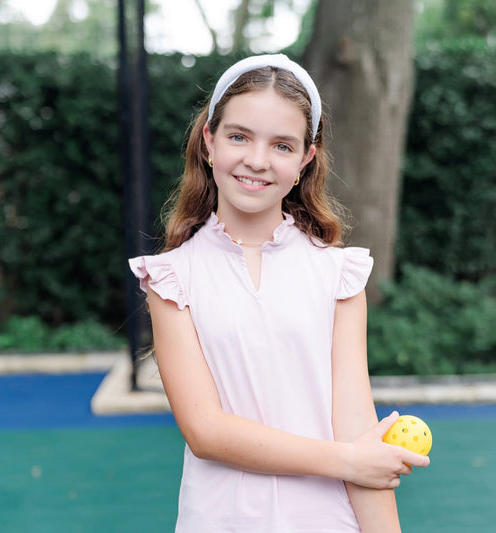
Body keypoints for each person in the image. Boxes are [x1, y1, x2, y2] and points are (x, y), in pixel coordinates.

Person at [129, 54, 429, 533]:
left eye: (282, 145)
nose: (257, 160)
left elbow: (355, 425)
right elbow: (206, 432)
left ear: (306, 159)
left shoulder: (338, 274)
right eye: (239, 136)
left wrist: (363, 474)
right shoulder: (171, 279)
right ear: (208, 142)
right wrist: (347, 460)